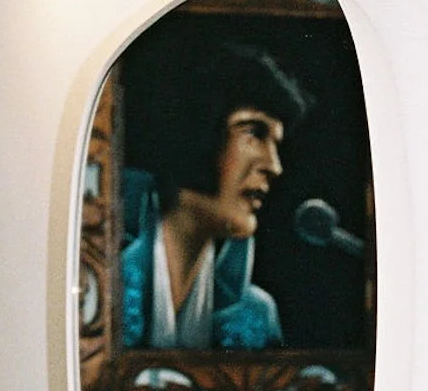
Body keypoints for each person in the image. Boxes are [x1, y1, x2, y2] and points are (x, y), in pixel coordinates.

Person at [119, 42, 313, 350]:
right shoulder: (102, 286)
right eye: (254, 133)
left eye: (276, 145)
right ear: (196, 130)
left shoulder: (256, 317)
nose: (274, 166)